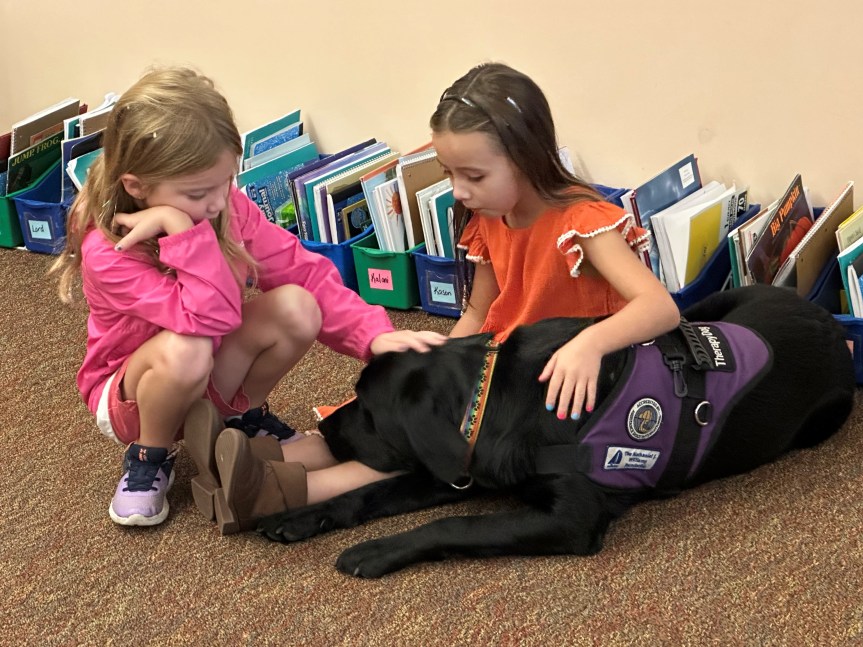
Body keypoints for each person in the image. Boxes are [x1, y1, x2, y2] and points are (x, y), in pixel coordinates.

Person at [208, 61, 681, 534]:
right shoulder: (491, 217)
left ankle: (278, 491)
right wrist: (433, 366)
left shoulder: (583, 221)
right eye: (451, 174)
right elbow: (479, 311)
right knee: (383, 410)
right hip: (495, 373)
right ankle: (254, 461)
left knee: (414, 440)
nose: (459, 191)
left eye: (474, 175)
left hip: (547, 395)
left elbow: (661, 308)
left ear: (526, 157)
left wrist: (589, 344)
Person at [52, 66, 446, 528]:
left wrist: (371, 336)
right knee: (187, 348)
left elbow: (302, 269)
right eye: (199, 193)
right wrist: (184, 232)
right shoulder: (109, 249)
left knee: (298, 306)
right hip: (133, 397)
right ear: (136, 187)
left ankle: (240, 419)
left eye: (227, 182)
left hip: (210, 363)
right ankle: (149, 456)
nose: (219, 203)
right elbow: (205, 320)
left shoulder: (226, 208)